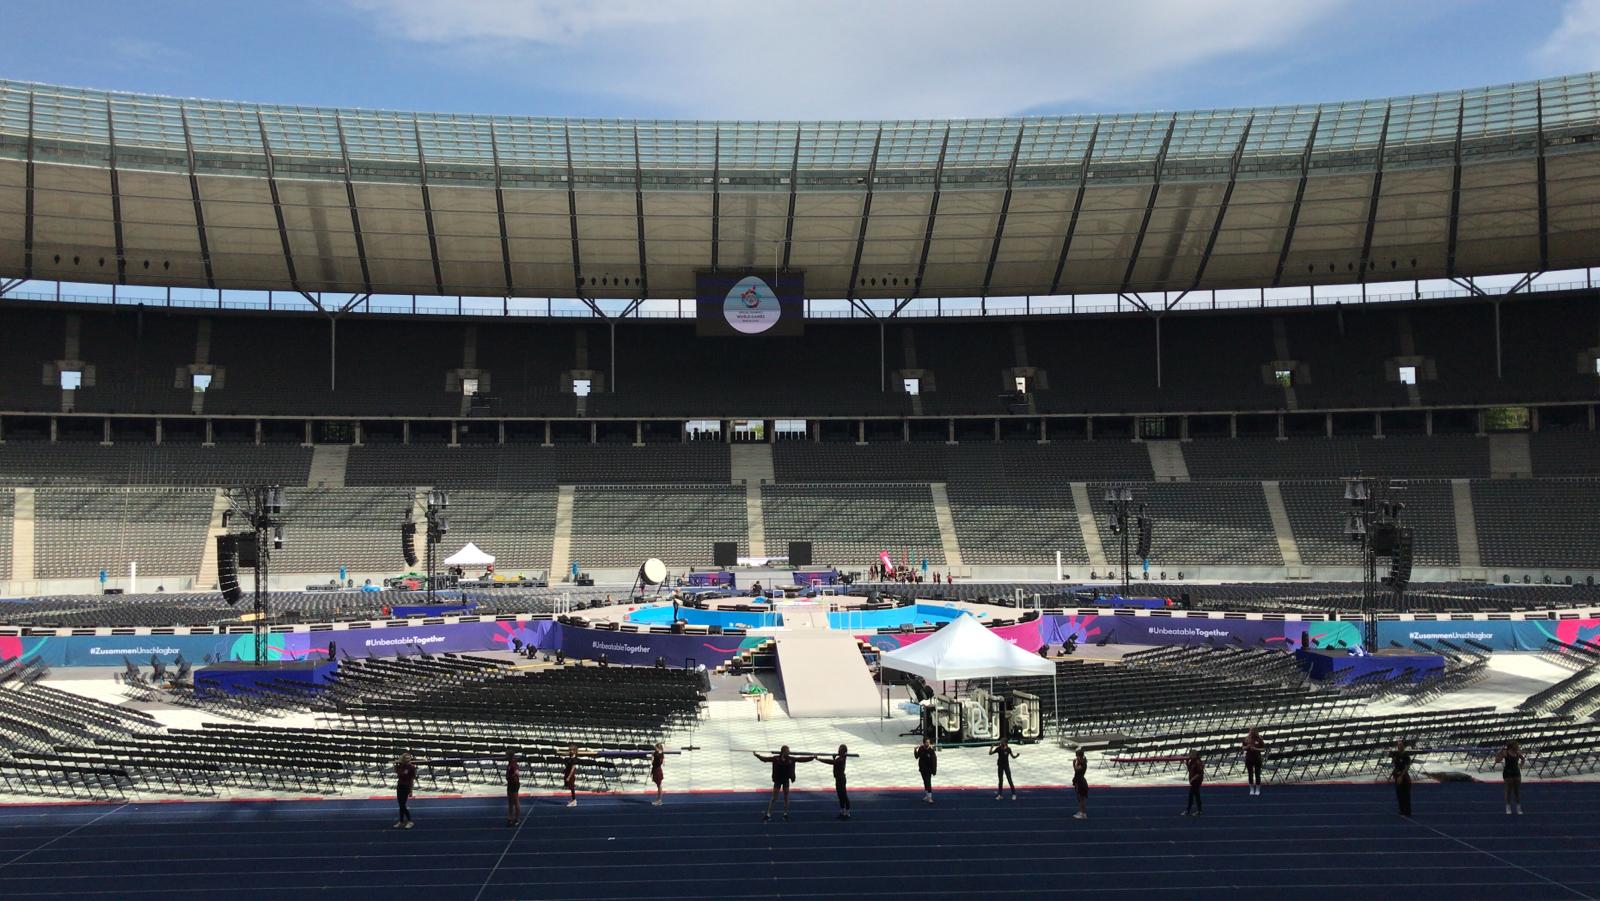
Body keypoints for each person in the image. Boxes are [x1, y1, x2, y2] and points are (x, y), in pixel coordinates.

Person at [755, 746, 814, 821]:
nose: (789, 752)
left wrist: (812, 758)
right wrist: (757, 755)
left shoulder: (790, 759)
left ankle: (785, 814)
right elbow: (765, 759)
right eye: (787, 751)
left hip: (786, 780)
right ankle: (768, 814)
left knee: (786, 798)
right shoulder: (776, 758)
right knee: (774, 798)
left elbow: (801, 759)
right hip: (778, 780)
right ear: (783, 751)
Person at [817, 744, 851, 819]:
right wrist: (834, 758)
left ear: (844, 752)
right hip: (838, 779)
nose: (838, 751)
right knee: (840, 795)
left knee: (844, 795)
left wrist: (819, 759)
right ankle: (843, 811)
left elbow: (831, 762)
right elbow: (834, 762)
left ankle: (847, 812)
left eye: (840, 750)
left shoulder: (841, 759)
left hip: (841, 780)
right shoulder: (841, 758)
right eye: (839, 749)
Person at [1494, 741, 1523, 815]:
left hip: (1516, 772)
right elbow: (1497, 761)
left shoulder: (1518, 752)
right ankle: (1508, 807)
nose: (1518, 746)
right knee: (1509, 790)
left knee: (1517, 791)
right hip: (1508, 772)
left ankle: (1518, 807)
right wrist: (1499, 753)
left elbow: (1523, 759)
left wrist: (1520, 766)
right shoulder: (1506, 752)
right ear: (1512, 746)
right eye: (1516, 745)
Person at [393, 752, 417, 829]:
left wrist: (411, 790)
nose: (408, 759)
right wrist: (396, 765)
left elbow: (412, 780)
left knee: (403, 805)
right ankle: (401, 821)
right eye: (406, 758)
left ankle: (410, 821)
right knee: (400, 805)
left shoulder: (412, 767)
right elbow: (397, 773)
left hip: (406, 787)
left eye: (409, 758)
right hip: (399, 786)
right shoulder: (400, 766)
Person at [1390, 739, 1413, 817]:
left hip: (1404, 777)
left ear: (1404, 746)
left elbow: (1406, 767)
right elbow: (1395, 764)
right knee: (1399, 794)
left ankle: (1407, 811)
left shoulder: (1406, 755)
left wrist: (1401, 776)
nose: (1399, 746)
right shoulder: (1396, 754)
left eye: (1401, 745)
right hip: (1397, 775)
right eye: (1398, 745)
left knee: (1405, 795)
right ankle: (1401, 810)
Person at [1242, 728, 1268, 796]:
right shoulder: (1246, 739)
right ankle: (1251, 789)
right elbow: (1243, 748)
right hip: (1249, 758)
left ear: (1256, 731)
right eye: (1251, 731)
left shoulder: (1259, 739)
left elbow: (1263, 749)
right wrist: (1247, 747)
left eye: (1253, 731)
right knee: (1250, 774)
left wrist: (1256, 749)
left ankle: (1257, 789)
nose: (1252, 732)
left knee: (1257, 774)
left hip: (1257, 758)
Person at [914, 737, 938, 803]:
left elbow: (934, 761)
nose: (928, 743)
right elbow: (916, 756)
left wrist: (934, 771)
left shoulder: (931, 751)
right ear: (924, 743)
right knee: (925, 782)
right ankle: (927, 795)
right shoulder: (921, 749)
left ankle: (930, 797)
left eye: (929, 742)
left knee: (928, 782)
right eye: (927, 742)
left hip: (929, 769)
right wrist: (915, 750)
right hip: (922, 769)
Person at [1182, 751, 1204, 816]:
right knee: (1196, 796)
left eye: (1192, 754)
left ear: (1195, 755)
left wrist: (1192, 779)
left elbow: (1199, 773)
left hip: (1197, 781)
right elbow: (1190, 770)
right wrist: (1187, 763)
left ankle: (1189, 810)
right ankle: (1198, 810)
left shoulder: (1198, 762)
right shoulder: (1191, 761)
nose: (1190, 755)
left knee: (1192, 796)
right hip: (1193, 781)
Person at [505, 749, 521, 826]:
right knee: (510, 802)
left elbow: (517, 773)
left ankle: (517, 819)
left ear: (509, 756)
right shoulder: (509, 763)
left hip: (514, 784)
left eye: (506, 755)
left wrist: (511, 776)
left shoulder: (513, 764)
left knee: (515, 801)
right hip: (510, 783)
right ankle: (510, 818)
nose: (505, 756)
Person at [1072, 748, 1089, 819]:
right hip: (1079, 780)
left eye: (1077, 756)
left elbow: (1076, 769)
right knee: (1079, 797)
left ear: (1080, 756)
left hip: (1081, 782)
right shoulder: (1081, 762)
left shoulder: (1082, 763)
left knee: (1081, 798)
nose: (1076, 757)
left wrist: (1074, 763)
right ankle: (1081, 811)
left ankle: (1083, 813)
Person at [650, 742, 666, 807]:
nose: (655, 749)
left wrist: (652, 757)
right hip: (655, 770)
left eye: (655, 748)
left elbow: (655, 763)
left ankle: (659, 800)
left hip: (658, 771)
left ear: (658, 748)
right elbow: (653, 764)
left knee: (659, 785)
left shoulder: (659, 755)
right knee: (658, 785)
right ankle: (658, 799)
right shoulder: (656, 753)